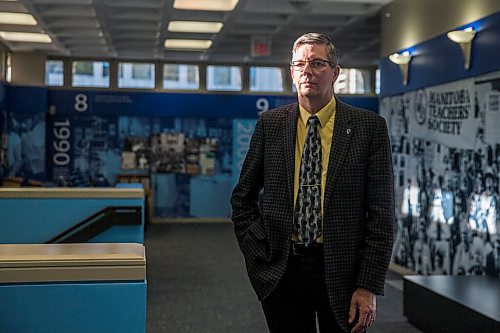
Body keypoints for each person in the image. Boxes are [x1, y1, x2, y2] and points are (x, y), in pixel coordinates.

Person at [231, 33, 395, 333]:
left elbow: (382, 214)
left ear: (335, 72)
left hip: (344, 271)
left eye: (317, 63)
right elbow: (243, 198)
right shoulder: (271, 124)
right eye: (300, 64)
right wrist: (258, 253)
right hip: (282, 269)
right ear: (292, 72)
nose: (308, 71)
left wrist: (368, 285)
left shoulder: (368, 127)